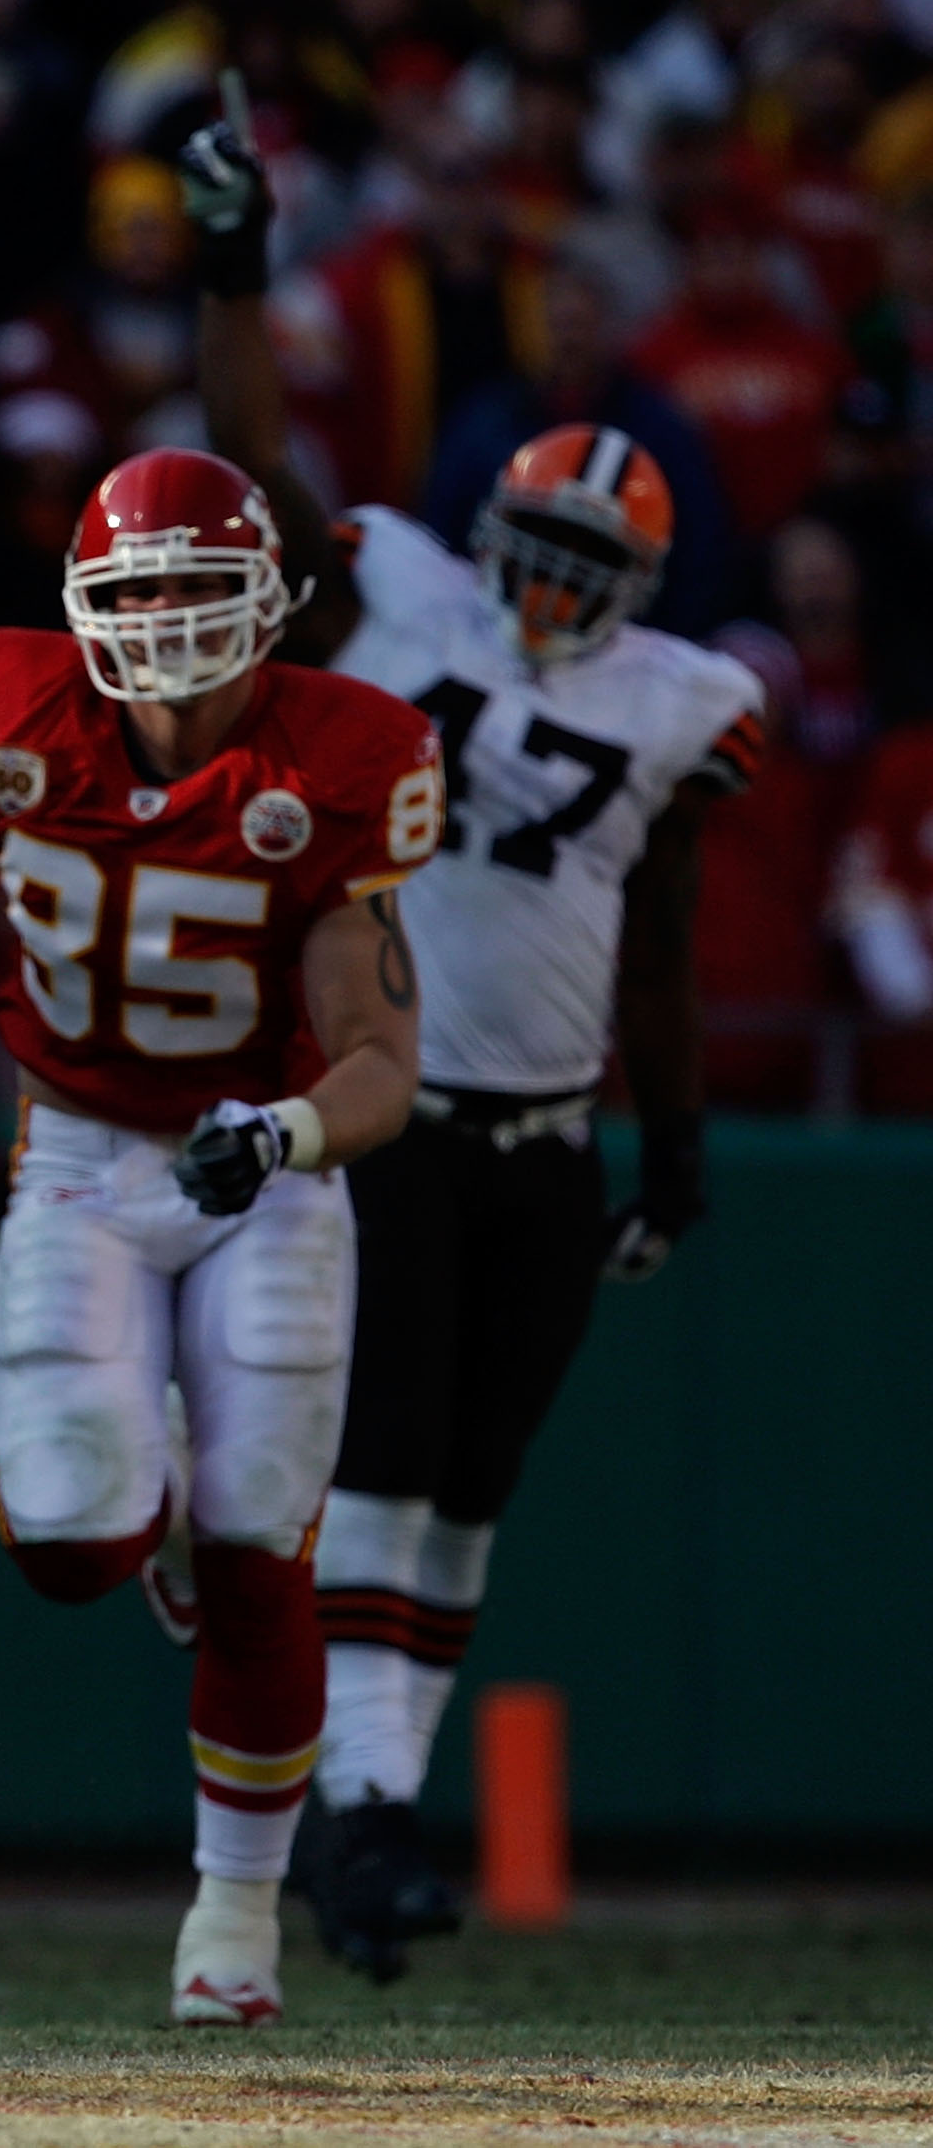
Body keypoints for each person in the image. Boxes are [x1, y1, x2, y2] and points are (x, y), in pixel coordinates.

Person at [0, 444, 442, 2024]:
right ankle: (163, 1530)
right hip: (75, 1153)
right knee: (65, 1542)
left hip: (259, 1168)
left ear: (273, 605)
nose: (176, 622)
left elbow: (384, 1058)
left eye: (207, 588)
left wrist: (288, 1128)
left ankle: (234, 1929)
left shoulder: (338, 756)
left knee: (265, 1545)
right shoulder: (7, 715)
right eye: (142, 591)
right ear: (82, 607)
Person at [183, 116, 764, 1981]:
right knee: (385, 1455)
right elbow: (262, 481)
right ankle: (357, 1816)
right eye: (536, 547)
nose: (547, 588)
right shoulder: (406, 588)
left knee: (466, 1489)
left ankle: (376, 1809)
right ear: (488, 532)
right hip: (393, 1109)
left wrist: (670, 1138)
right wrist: (234, 272)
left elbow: (661, 943)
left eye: (589, 559)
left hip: (548, 1130)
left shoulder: (686, 706)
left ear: (643, 579)